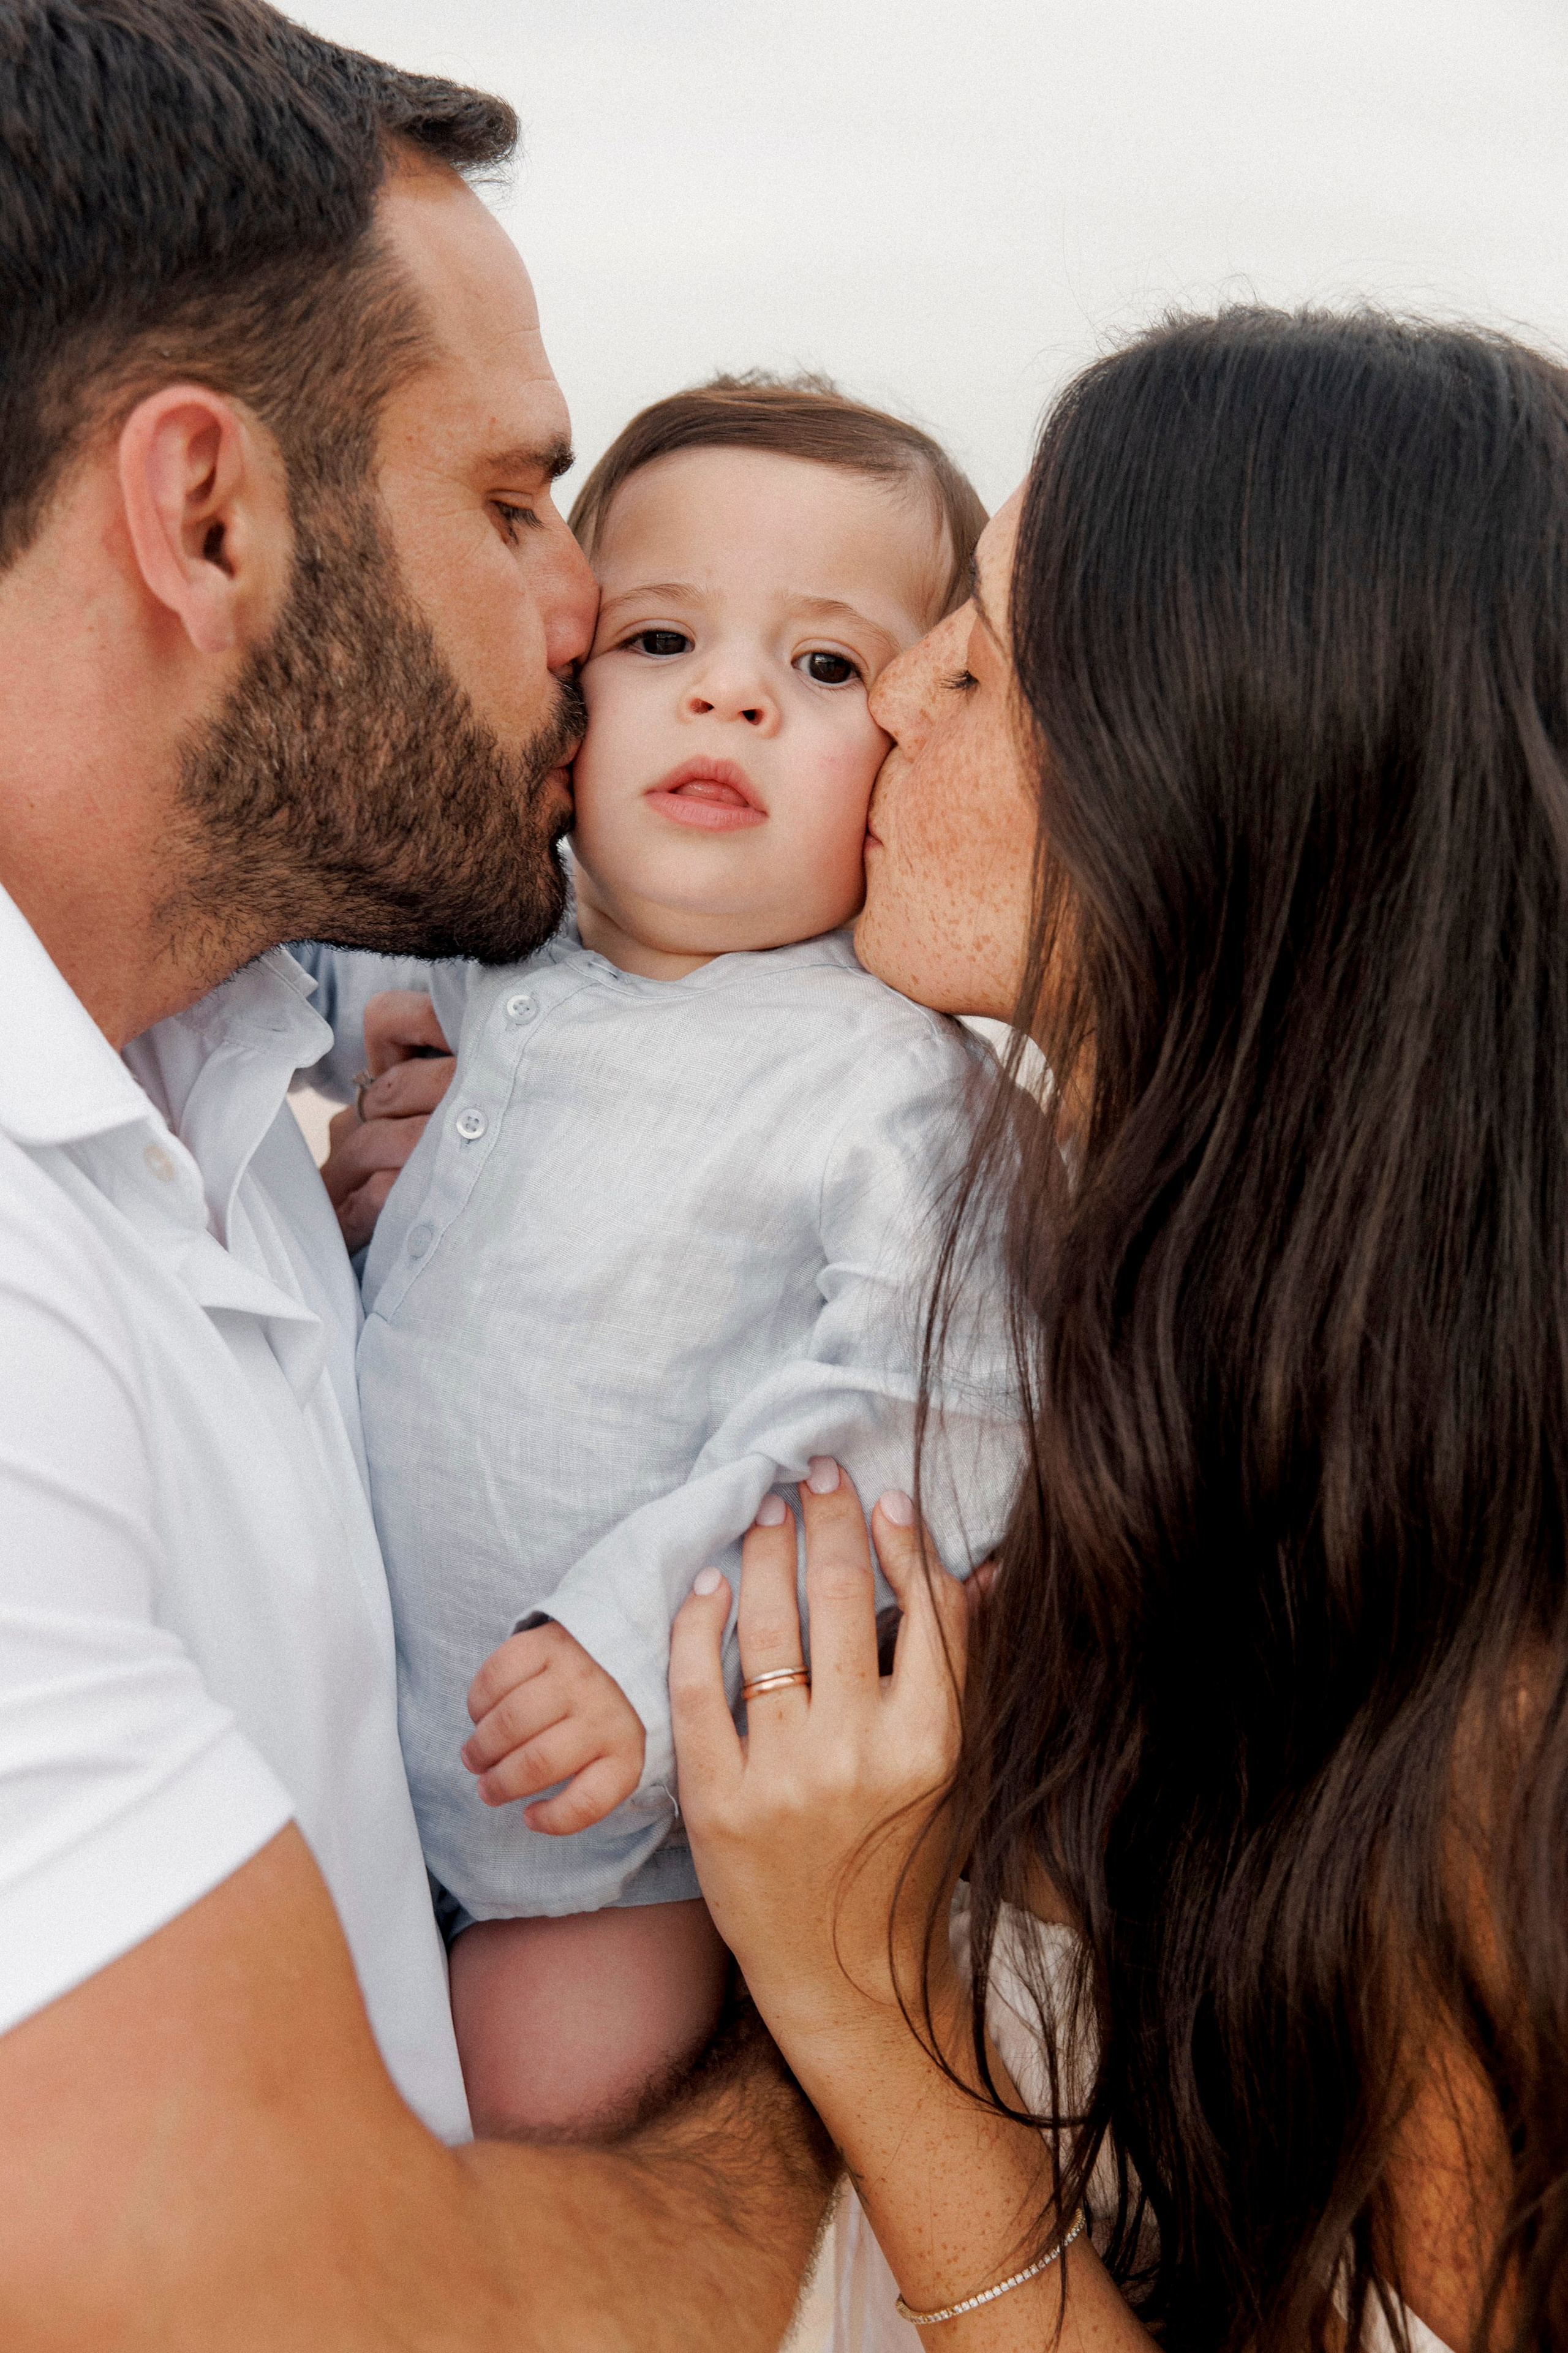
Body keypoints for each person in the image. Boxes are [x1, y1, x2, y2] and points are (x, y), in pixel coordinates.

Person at [0, 4, 834, 2342]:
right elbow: (308, 2305)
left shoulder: (235, 1068)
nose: (585, 611)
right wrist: (859, 2044)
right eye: (507, 503)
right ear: (207, 516)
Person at [667, 308, 1568, 2352]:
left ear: (1224, 799)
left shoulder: (1496, 1738)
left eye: (978, 660)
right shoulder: (1151, 1349)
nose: (890, 695)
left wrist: (862, 2005)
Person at [293, 374, 1013, 2139]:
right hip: (344, 1772)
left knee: (515, 2140)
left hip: (616, 1850)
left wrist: (633, 1631)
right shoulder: (478, 957)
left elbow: (921, 1413)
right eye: (664, 631)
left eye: (830, 668)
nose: (734, 690)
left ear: (918, 739)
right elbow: (229, 968)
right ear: (561, 693)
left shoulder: (883, 1082)